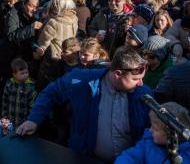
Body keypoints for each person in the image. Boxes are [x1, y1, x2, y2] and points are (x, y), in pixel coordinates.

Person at [17, 47, 153, 162]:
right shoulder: (82, 80)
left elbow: (151, 135)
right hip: (84, 158)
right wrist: (34, 120)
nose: (141, 83)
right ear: (117, 74)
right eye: (136, 79)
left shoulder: (145, 95)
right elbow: (52, 92)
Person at [115, 102, 190, 164]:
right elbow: (130, 156)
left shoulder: (187, 154)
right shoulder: (148, 141)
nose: (150, 130)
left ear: (171, 134)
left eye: (155, 129)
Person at [1, 58, 37, 128]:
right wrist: (4, 115)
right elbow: (5, 100)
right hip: (10, 119)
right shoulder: (9, 84)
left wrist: (30, 119)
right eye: (22, 73)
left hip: (24, 121)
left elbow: (32, 104)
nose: (25, 75)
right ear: (14, 74)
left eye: (26, 72)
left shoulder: (31, 86)